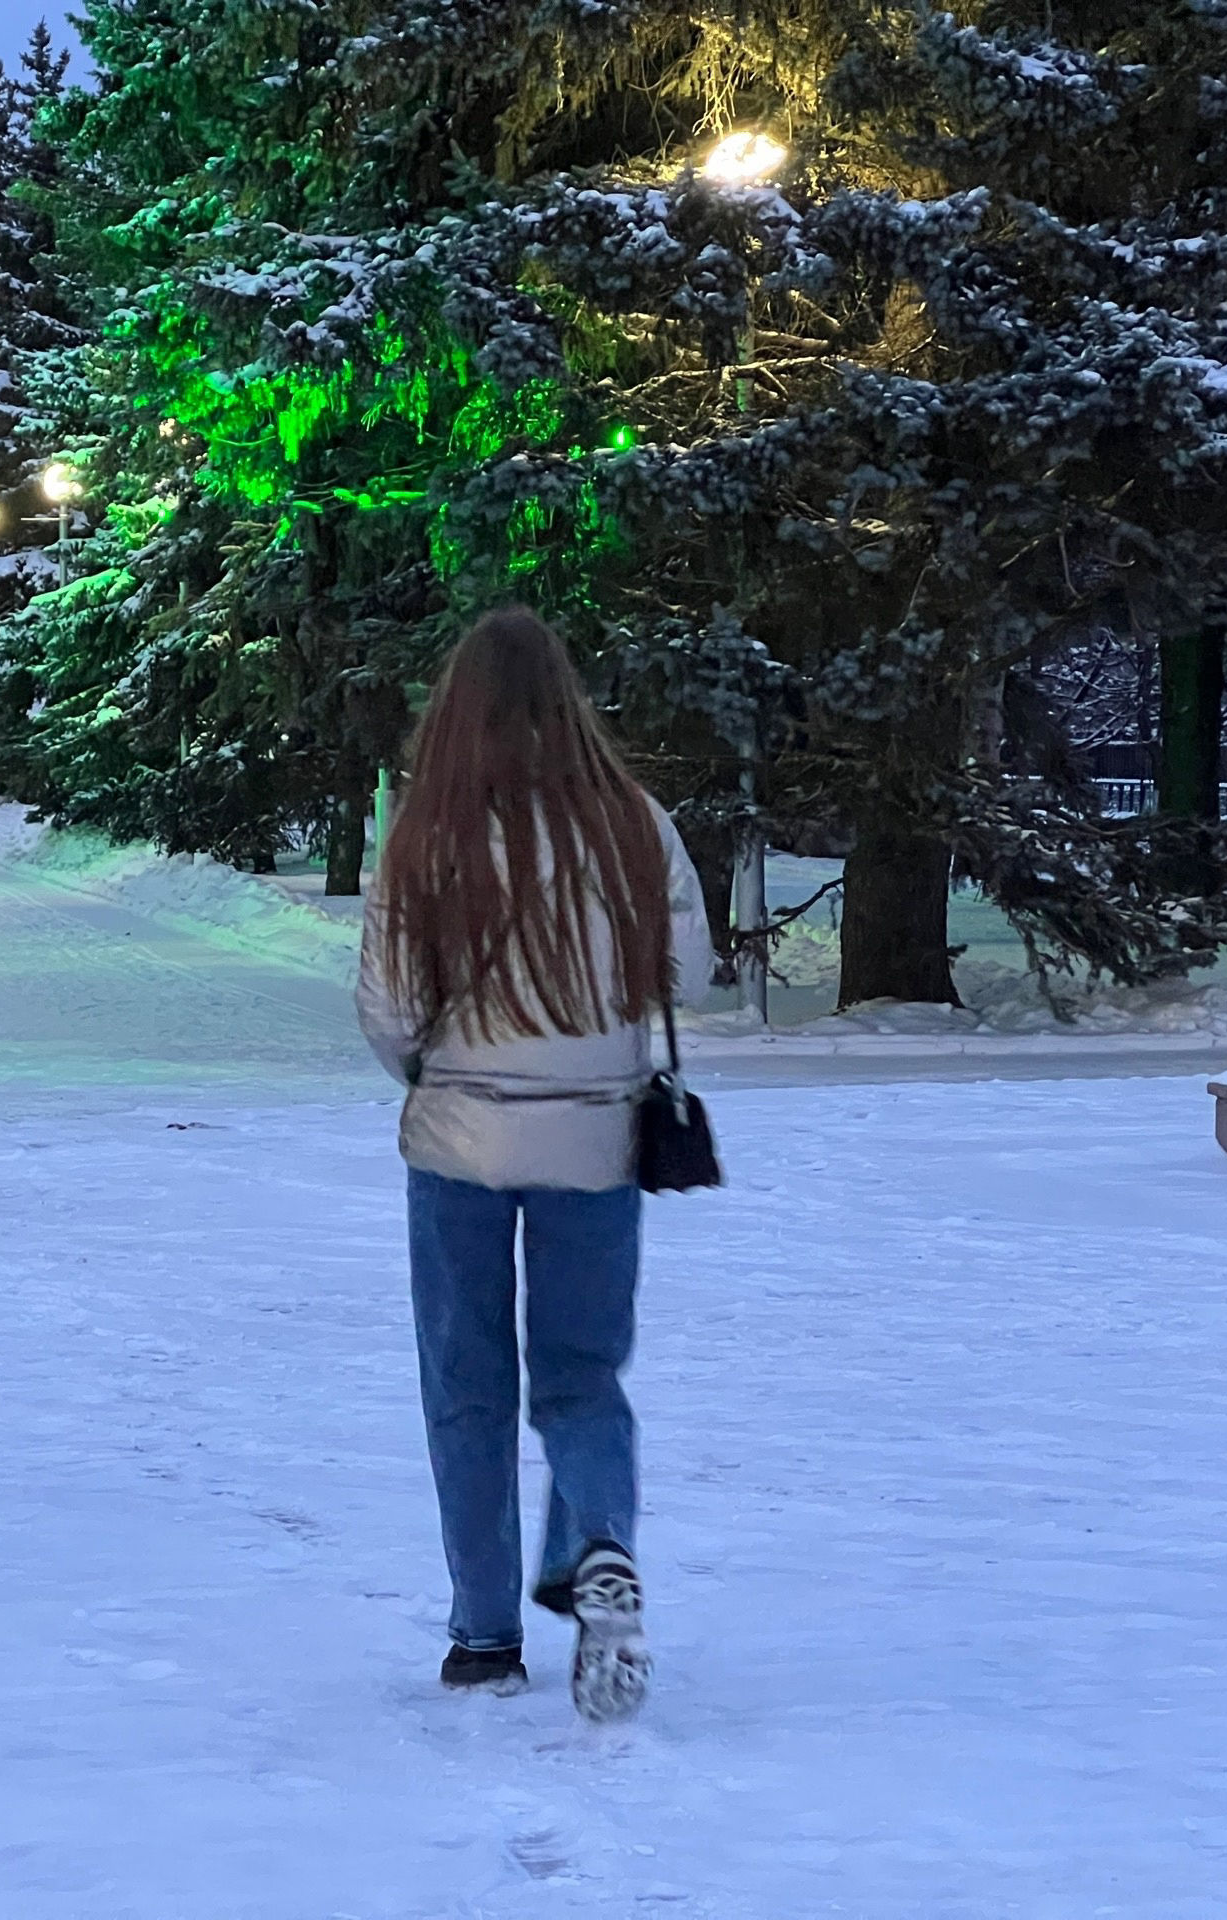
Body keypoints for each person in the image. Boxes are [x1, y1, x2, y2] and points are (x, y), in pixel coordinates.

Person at [355, 606, 709, 1722]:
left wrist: (435, 1067)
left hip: (460, 1136)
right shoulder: (634, 825)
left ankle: (482, 1635)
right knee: (583, 1377)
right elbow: (683, 976)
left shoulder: (426, 832)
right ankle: (599, 1542)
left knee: (466, 1386)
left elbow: (389, 1005)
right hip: (597, 1137)